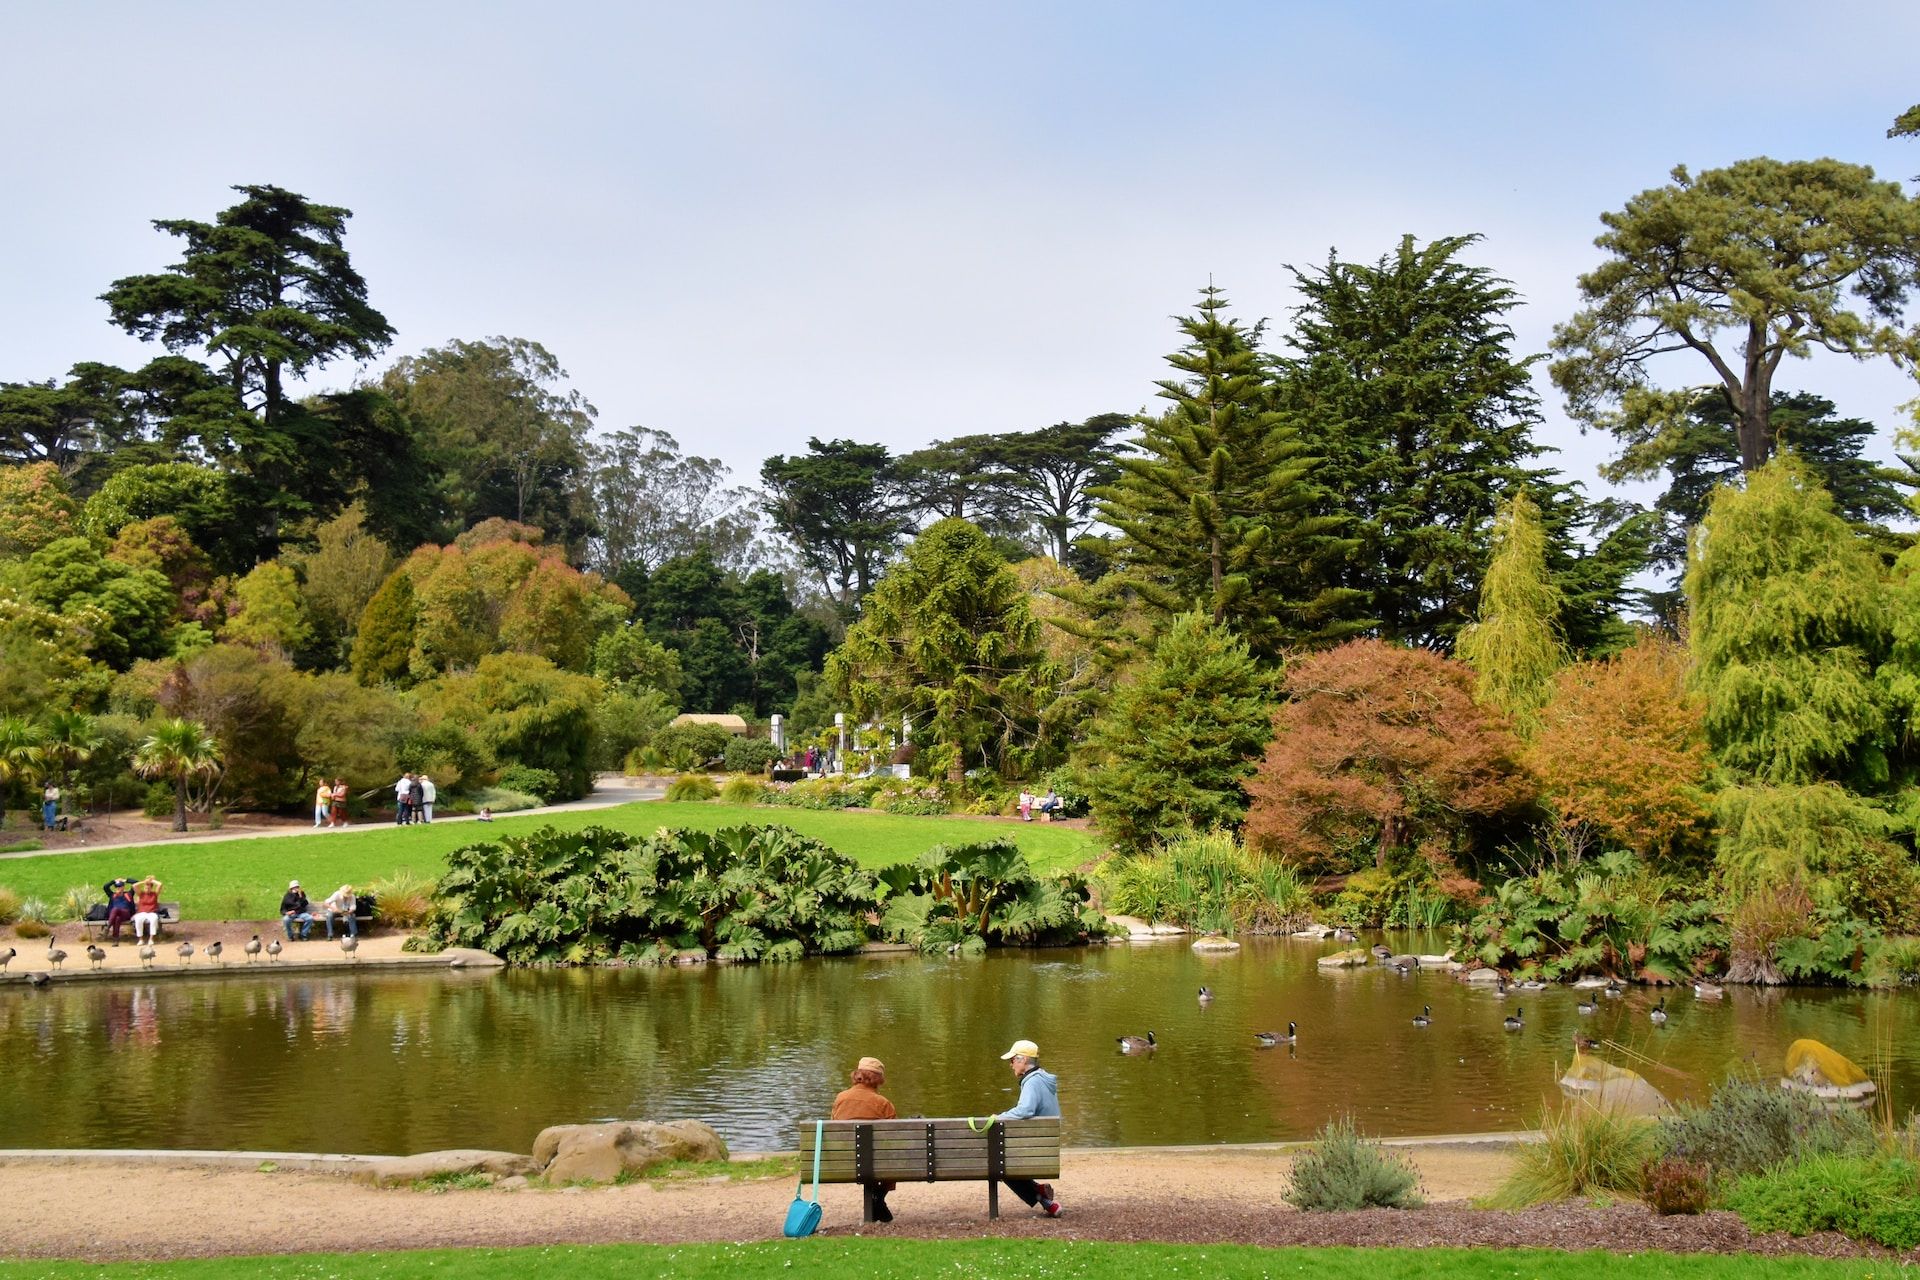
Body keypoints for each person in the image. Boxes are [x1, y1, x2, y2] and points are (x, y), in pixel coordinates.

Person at [989, 1039, 1061, 1216]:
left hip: (1034, 1150)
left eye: (1012, 1060)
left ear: (1023, 1060)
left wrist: (998, 1117)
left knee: (997, 1163)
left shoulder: (1032, 1082)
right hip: (1045, 1147)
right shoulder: (1043, 1079)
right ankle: (1045, 1201)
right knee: (1000, 1160)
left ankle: (1038, 1191)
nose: (1011, 1065)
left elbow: (1025, 1109)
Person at [830, 1056, 898, 1222]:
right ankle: (878, 1197)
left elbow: (833, 1129)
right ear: (878, 1079)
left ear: (857, 1075)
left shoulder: (840, 1098)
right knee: (894, 1157)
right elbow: (895, 1139)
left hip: (845, 1160)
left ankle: (876, 1200)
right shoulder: (883, 1103)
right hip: (877, 1163)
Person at [103, 878, 135, 944]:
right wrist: (113, 881)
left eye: (119, 887)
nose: (118, 888)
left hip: (126, 914)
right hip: (116, 915)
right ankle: (115, 939)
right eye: (117, 887)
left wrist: (126, 880)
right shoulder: (112, 895)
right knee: (117, 918)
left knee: (115, 909)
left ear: (123, 887)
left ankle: (107, 927)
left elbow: (136, 883)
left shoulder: (128, 894)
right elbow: (105, 887)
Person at [131, 876, 163, 944]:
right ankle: (140, 939)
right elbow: (134, 886)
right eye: (146, 887)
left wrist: (152, 881)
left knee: (154, 919)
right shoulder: (141, 894)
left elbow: (160, 884)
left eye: (149, 888)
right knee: (138, 919)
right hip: (142, 912)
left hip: (152, 912)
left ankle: (151, 939)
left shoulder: (155, 894)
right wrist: (144, 881)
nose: (147, 889)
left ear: (151, 888)